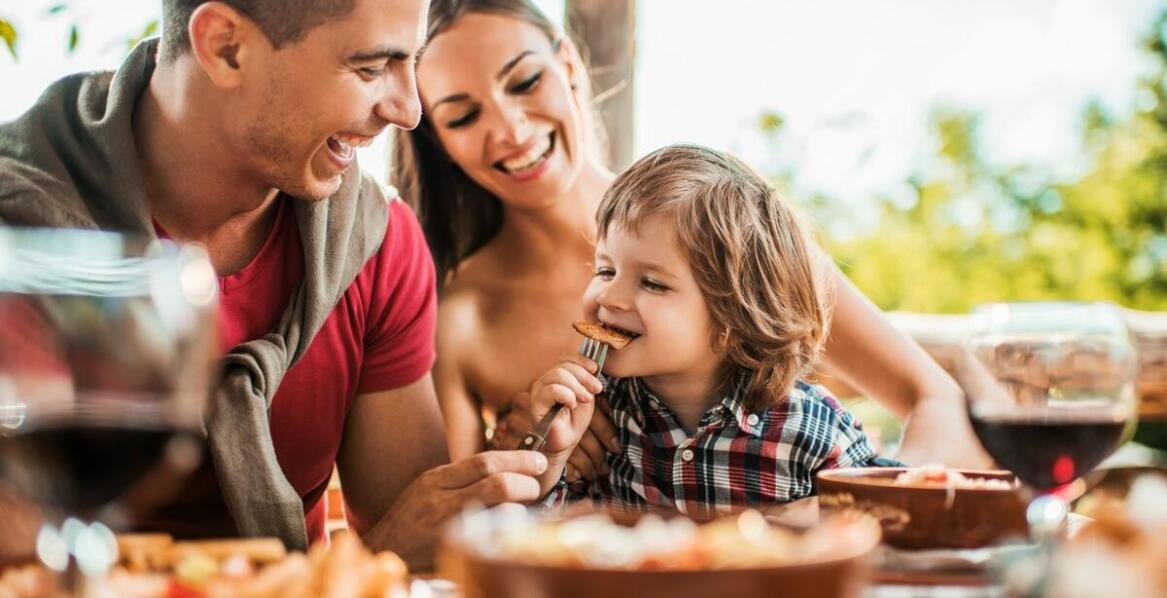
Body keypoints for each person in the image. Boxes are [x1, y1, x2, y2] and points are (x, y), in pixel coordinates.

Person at [0, 0, 548, 570]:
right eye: (370, 68)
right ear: (225, 47)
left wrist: (523, 473)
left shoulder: (377, 246)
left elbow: (417, 544)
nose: (410, 110)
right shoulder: (17, 241)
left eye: (412, 61)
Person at [394, 0, 990, 480]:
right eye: (464, 116)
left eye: (524, 82)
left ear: (569, 65)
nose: (509, 128)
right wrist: (522, 450)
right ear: (438, 139)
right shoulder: (463, 317)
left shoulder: (720, 228)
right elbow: (449, 531)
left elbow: (931, 395)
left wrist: (873, 522)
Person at [514, 144, 892, 511]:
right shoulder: (598, 417)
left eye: (652, 283)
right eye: (605, 270)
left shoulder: (809, 426)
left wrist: (818, 518)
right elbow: (542, 544)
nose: (610, 296)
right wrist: (552, 456)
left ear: (735, 316)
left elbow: (886, 519)